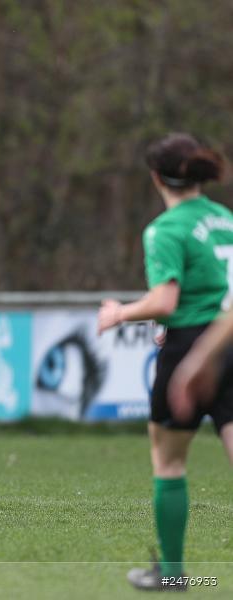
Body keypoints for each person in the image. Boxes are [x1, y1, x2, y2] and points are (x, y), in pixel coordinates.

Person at [97, 132, 232, 590]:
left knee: (169, 461)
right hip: (230, 336)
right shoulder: (225, 220)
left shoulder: (165, 230)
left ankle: (172, 576)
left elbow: (165, 300)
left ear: (156, 177)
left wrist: (120, 313)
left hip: (190, 346)